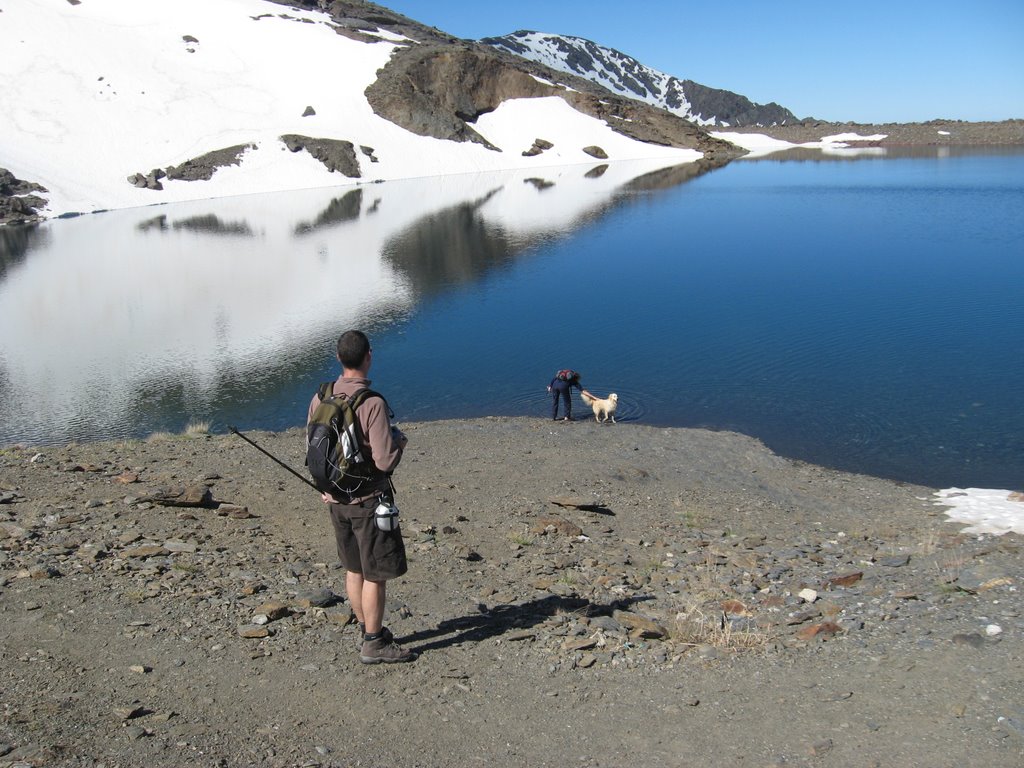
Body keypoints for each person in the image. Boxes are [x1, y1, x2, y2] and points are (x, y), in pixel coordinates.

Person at [307, 330, 416, 664]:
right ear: (369, 355)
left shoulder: (320, 397)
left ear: (339, 358)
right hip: (368, 501)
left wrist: (328, 488)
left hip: (334, 499)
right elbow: (383, 460)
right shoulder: (371, 403)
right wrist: (400, 443)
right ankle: (374, 643)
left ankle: (367, 629)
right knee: (375, 574)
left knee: (353, 568)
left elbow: (313, 447)